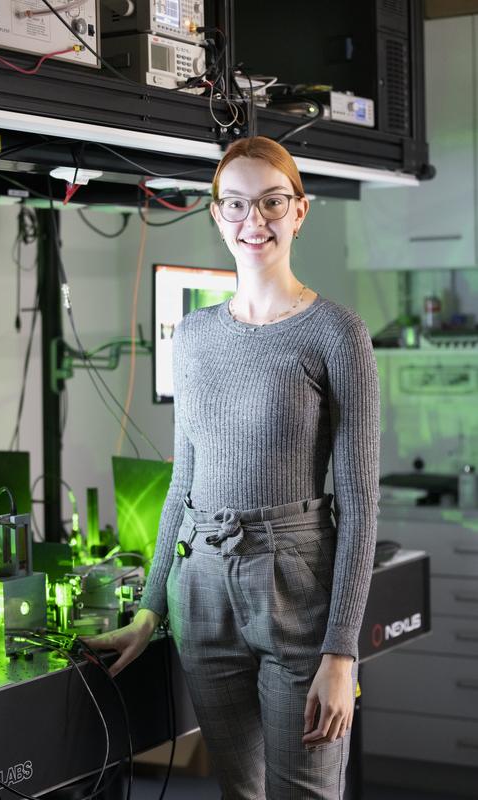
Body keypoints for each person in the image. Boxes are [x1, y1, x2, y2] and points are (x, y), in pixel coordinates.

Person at [86, 136, 380, 800]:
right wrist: (149, 606)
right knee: (237, 792)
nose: (255, 220)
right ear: (216, 215)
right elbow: (181, 483)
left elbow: (360, 504)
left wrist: (341, 652)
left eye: (272, 202)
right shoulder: (191, 336)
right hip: (203, 592)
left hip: (295, 587)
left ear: (299, 211)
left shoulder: (336, 332)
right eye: (237, 205)